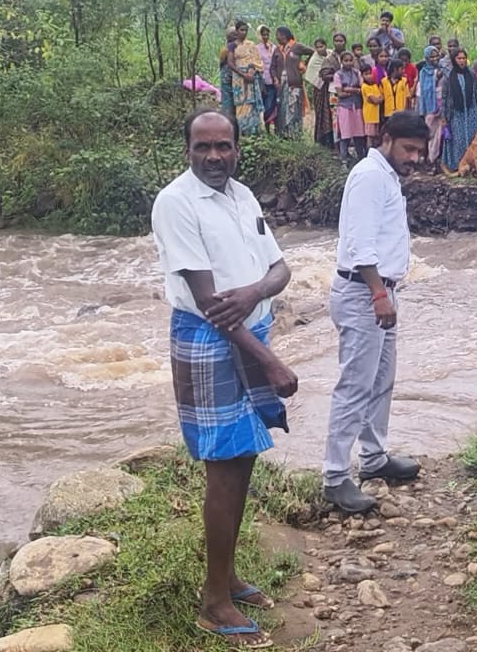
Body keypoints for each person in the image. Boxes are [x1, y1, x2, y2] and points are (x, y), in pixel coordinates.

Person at [151, 109, 301, 650]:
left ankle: (228, 576)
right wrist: (271, 361)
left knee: (243, 459)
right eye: (203, 147)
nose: (214, 156)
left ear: (237, 148)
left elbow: (280, 269)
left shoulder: (243, 196)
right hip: (209, 339)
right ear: (187, 151)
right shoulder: (176, 202)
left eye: (223, 146)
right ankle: (214, 603)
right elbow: (211, 303)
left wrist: (256, 291)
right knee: (223, 465)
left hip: (250, 331)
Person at [323, 112, 429, 513]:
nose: (414, 158)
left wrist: (385, 292)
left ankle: (373, 457)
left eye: (419, 151)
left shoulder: (386, 176)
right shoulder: (369, 176)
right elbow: (360, 241)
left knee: (381, 379)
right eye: (408, 149)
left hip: (380, 289)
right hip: (363, 291)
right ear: (386, 138)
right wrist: (378, 293)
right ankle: (335, 476)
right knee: (355, 383)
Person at [441, 48, 477, 173]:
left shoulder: (471, 74)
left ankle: (474, 166)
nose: (462, 61)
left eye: (463, 58)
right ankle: (458, 165)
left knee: (473, 138)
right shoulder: (448, 77)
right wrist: (444, 116)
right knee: (458, 139)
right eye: (459, 58)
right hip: (456, 113)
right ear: (454, 60)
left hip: (471, 111)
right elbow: (444, 98)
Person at [227, 20, 266, 135]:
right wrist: (243, 75)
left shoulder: (251, 45)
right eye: (241, 30)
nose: (244, 32)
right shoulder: (232, 46)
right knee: (241, 104)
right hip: (239, 78)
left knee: (251, 103)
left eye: (246, 30)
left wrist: (251, 73)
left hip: (251, 77)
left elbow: (257, 61)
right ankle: (243, 132)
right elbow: (230, 63)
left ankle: (254, 132)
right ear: (236, 31)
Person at [273, 27, 313, 138]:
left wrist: (304, 65)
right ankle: (283, 134)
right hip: (281, 85)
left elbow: (313, 52)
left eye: (277, 35)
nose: (276, 37)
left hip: (294, 83)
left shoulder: (297, 46)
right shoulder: (277, 50)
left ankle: (295, 134)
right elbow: (273, 67)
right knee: (282, 108)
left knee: (294, 108)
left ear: (283, 35)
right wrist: (275, 78)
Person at [333, 51, 367, 161]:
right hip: (344, 108)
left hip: (357, 107)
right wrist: (355, 90)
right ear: (341, 62)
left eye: (350, 60)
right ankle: (343, 159)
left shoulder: (357, 73)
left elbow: (363, 89)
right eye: (346, 61)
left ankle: (361, 158)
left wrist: (349, 89)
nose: (348, 63)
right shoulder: (338, 75)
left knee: (359, 134)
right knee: (345, 135)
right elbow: (340, 94)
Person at [315, 33, 347, 149]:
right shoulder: (329, 58)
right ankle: (336, 146)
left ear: (345, 42)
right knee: (335, 120)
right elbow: (323, 75)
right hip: (334, 92)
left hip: (348, 92)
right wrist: (338, 76)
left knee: (346, 119)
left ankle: (346, 146)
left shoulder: (348, 56)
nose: (338, 43)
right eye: (336, 41)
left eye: (341, 41)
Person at [417, 45, 445, 164]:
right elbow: (425, 89)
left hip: (442, 105)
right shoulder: (424, 72)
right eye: (431, 57)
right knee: (430, 133)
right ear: (427, 58)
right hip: (430, 106)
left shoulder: (443, 69)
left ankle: (436, 158)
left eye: (436, 56)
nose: (434, 59)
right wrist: (435, 78)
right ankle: (429, 159)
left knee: (440, 134)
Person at [256, 25, 279, 132]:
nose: (265, 37)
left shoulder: (274, 47)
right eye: (263, 35)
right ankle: (266, 128)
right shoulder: (257, 49)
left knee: (272, 105)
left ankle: (270, 127)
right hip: (262, 81)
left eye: (267, 34)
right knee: (265, 105)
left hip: (273, 80)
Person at [360, 67, 384, 148]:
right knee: (370, 136)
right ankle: (368, 152)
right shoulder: (364, 86)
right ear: (362, 76)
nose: (369, 76)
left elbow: (381, 97)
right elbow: (375, 100)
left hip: (376, 114)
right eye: (366, 74)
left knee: (375, 135)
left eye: (370, 73)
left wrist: (378, 99)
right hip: (369, 115)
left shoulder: (374, 85)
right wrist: (378, 99)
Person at [382, 59, 411, 123]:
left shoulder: (404, 81)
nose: (403, 71)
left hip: (401, 113)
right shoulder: (383, 82)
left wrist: (407, 113)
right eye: (401, 69)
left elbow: (407, 97)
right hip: (388, 113)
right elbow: (381, 98)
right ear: (395, 69)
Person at [219, 29, 238, 116]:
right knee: (228, 102)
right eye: (233, 34)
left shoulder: (228, 48)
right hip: (228, 78)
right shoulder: (226, 49)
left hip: (233, 77)